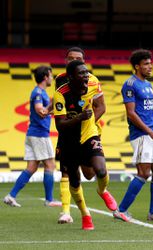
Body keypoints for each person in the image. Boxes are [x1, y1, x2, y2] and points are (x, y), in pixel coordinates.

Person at [53, 60, 118, 230]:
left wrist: (89, 122)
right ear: (71, 77)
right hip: (69, 141)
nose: (85, 76)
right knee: (74, 180)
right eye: (81, 73)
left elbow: (101, 105)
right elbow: (59, 125)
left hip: (89, 135)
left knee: (101, 170)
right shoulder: (61, 94)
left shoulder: (93, 83)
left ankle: (102, 191)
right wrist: (79, 118)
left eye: (86, 72)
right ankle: (85, 214)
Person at [113, 49, 153, 222]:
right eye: (146, 64)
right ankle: (121, 209)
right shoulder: (130, 85)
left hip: (152, 134)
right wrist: (149, 132)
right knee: (144, 172)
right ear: (137, 66)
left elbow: (147, 112)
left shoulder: (148, 85)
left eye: (150, 63)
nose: (150, 66)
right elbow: (131, 113)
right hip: (141, 135)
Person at [3, 66, 61, 208]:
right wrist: (52, 107)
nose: (52, 78)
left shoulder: (41, 92)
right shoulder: (38, 93)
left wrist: (54, 105)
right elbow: (40, 111)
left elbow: (44, 110)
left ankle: (11, 196)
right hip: (39, 134)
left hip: (33, 133)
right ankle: (49, 200)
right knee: (50, 165)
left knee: (32, 167)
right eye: (50, 75)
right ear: (45, 77)